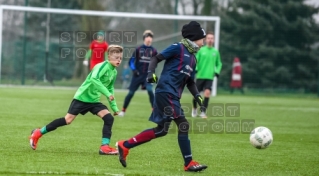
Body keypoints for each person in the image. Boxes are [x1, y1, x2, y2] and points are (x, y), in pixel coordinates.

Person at [116, 21, 208, 172]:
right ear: (194, 37)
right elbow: (155, 58)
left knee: (162, 130)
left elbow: (190, 82)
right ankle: (189, 163)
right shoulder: (177, 47)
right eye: (202, 38)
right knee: (183, 124)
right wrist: (151, 72)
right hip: (166, 92)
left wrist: (197, 96)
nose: (203, 41)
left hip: (172, 95)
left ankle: (125, 145)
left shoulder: (193, 58)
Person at [29, 45, 123, 155]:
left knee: (109, 118)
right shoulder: (102, 66)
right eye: (116, 57)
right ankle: (38, 133)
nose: (119, 60)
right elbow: (94, 79)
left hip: (94, 100)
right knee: (67, 120)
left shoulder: (114, 72)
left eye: (120, 58)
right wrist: (107, 93)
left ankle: (104, 147)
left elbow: (110, 88)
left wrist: (115, 107)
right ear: (109, 57)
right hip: (82, 97)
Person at [118, 30, 158, 117]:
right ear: (144, 38)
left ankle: (154, 112)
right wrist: (134, 70)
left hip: (148, 76)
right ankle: (123, 111)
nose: (149, 38)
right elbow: (131, 61)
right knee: (131, 93)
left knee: (150, 91)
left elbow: (155, 63)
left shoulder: (154, 51)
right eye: (147, 36)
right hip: (137, 75)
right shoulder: (138, 49)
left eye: (151, 37)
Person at [191, 32, 222, 118]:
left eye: (212, 38)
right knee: (196, 95)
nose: (210, 40)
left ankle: (203, 112)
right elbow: (196, 61)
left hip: (209, 77)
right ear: (205, 39)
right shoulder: (201, 50)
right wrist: (196, 69)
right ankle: (194, 108)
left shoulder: (215, 52)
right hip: (200, 76)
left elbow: (219, 63)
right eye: (208, 38)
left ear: (214, 40)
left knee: (207, 93)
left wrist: (217, 71)